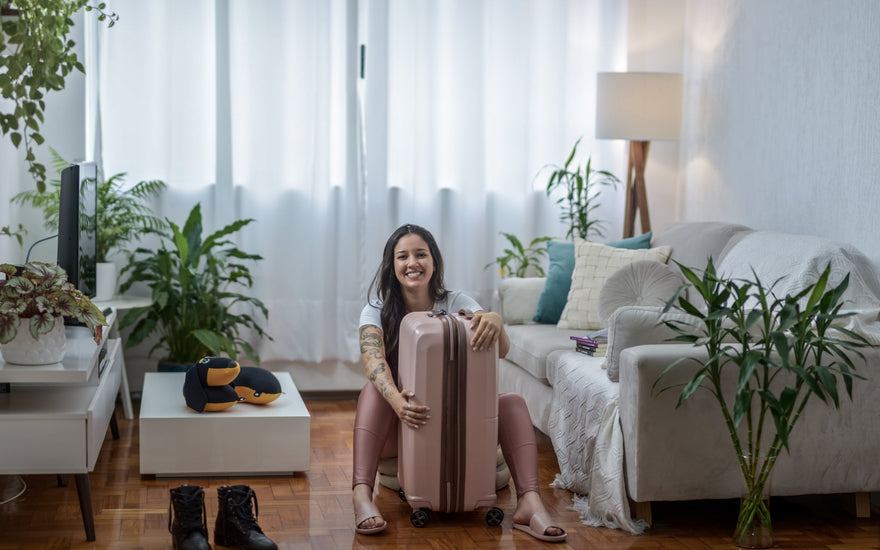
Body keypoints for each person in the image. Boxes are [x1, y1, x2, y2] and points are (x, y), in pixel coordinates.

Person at [352, 223, 566, 542]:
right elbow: (373, 361)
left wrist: (495, 319)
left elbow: (502, 349)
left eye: (421, 254)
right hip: (406, 423)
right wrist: (397, 402)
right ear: (391, 265)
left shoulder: (456, 302)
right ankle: (361, 496)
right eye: (403, 256)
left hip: (460, 424)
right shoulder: (376, 310)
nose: (413, 263)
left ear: (434, 261)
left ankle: (530, 503)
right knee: (374, 390)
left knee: (512, 402)